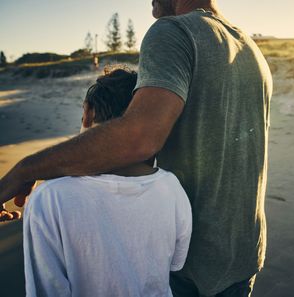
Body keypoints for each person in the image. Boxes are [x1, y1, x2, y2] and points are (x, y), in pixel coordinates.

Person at [0, 1, 272, 296]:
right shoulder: (250, 49)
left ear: (88, 113)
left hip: (190, 273)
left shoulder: (175, 31)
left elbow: (140, 136)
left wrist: (25, 169)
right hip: (243, 257)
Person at [23, 69, 192, 297]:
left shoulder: (49, 199)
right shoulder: (171, 187)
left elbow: (46, 289)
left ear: (87, 113)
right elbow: (174, 264)